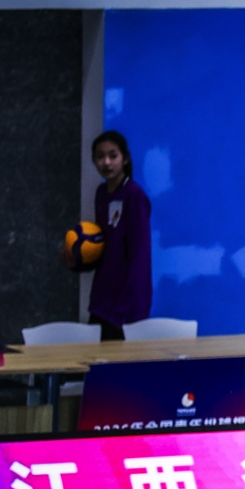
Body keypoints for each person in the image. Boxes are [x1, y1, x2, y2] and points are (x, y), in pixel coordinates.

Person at [81, 130, 152, 340]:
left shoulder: (134, 196)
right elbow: (102, 246)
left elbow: (139, 258)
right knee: (95, 358)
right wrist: (78, 259)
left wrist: (124, 308)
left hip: (126, 306)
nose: (107, 162)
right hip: (102, 301)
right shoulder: (101, 194)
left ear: (125, 159)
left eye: (113, 155)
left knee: (119, 360)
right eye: (100, 156)